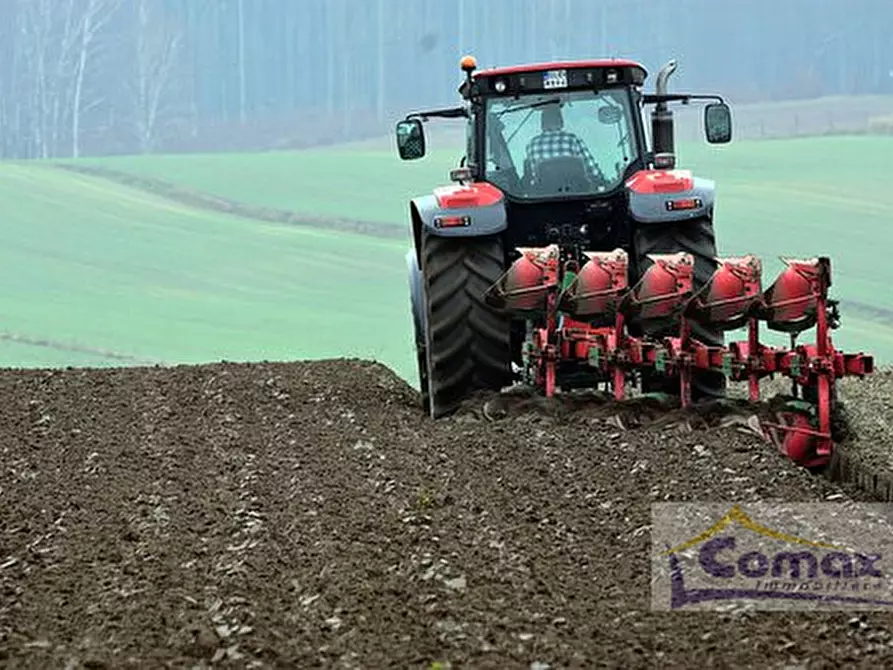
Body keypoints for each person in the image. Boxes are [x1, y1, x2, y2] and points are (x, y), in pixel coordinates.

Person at [523, 103, 602, 184]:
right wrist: (601, 181)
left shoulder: (531, 145)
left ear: (542, 124)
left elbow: (531, 176)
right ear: (561, 122)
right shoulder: (572, 139)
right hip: (576, 192)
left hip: (543, 194)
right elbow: (593, 170)